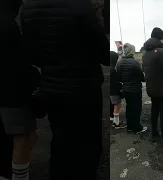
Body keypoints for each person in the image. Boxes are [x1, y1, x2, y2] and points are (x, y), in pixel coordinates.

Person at [19, 0, 109, 179]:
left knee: (60, 144)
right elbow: (104, 54)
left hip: (52, 90)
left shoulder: (28, 9)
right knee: (88, 146)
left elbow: (32, 55)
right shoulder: (80, 6)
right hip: (85, 90)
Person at [0, 1, 40, 180]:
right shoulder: (7, 24)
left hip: (6, 93)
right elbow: (19, 63)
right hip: (13, 94)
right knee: (23, 138)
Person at [116, 43, 147, 134]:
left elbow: (119, 78)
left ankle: (129, 127)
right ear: (131, 51)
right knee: (136, 109)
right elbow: (142, 78)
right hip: (135, 89)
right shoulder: (135, 62)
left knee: (129, 108)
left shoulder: (119, 63)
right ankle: (137, 128)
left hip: (126, 89)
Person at [110, 51, 126, 129]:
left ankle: (114, 120)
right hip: (114, 91)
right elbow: (115, 82)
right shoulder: (113, 69)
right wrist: (120, 89)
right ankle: (116, 123)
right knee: (117, 106)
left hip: (110, 91)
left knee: (115, 105)